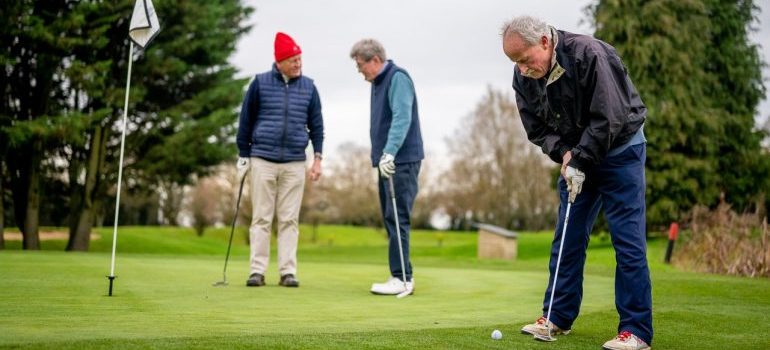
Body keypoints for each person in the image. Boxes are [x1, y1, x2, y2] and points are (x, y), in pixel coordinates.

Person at [501, 16, 652, 350]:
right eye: (516, 64)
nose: (523, 70)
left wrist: (580, 157)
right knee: (567, 238)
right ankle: (556, 316)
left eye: (525, 60)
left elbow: (609, 116)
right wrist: (566, 154)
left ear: (544, 41)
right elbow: (537, 128)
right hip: (577, 158)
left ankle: (636, 331)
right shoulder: (523, 76)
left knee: (627, 242)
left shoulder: (589, 53)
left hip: (621, 151)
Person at [236, 32, 324, 288]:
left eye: (300, 59)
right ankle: (257, 271)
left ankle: (288, 272)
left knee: (289, 219)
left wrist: (317, 158)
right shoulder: (260, 83)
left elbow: (317, 126)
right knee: (262, 218)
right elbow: (246, 121)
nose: (298, 64)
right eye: (294, 60)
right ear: (280, 61)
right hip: (262, 159)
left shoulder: (309, 87)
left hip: (295, 161)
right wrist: (243, 155)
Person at [349, 39, 424, 296]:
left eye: (361, 66)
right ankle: (398, 275)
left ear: (375, 60)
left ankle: (403, 278)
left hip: (400, 161)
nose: (361, 72)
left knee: (397, 217)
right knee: (390, 218)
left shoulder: (397, 78)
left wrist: (390, 152)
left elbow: (402, 117)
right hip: (388, 161)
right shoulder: (378, 82)